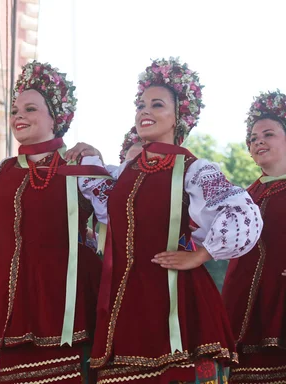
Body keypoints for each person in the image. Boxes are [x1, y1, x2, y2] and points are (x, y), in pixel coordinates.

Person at [90, 58, 262, 383]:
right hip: (125, 305)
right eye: (141, 104)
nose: (145, 110)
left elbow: (242, 214)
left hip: (175, 302)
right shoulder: (127, 172)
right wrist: (86, 155)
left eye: (157, 104)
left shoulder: (193, 170)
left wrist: (200, 254)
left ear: (178, 116)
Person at [0, 61, 111, 383]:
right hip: (16, 304)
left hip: (67, 300)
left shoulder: (78, 162)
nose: (19, 116)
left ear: (56, 117)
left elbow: (115, 211)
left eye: (30, 109)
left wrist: (98, 167)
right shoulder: (5, 171)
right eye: (15, 110)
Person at [222, 90, 286, 383]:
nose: (257, 140)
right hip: (245, 312)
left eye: (268, 134)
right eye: (252, 137)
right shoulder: (243, 197)